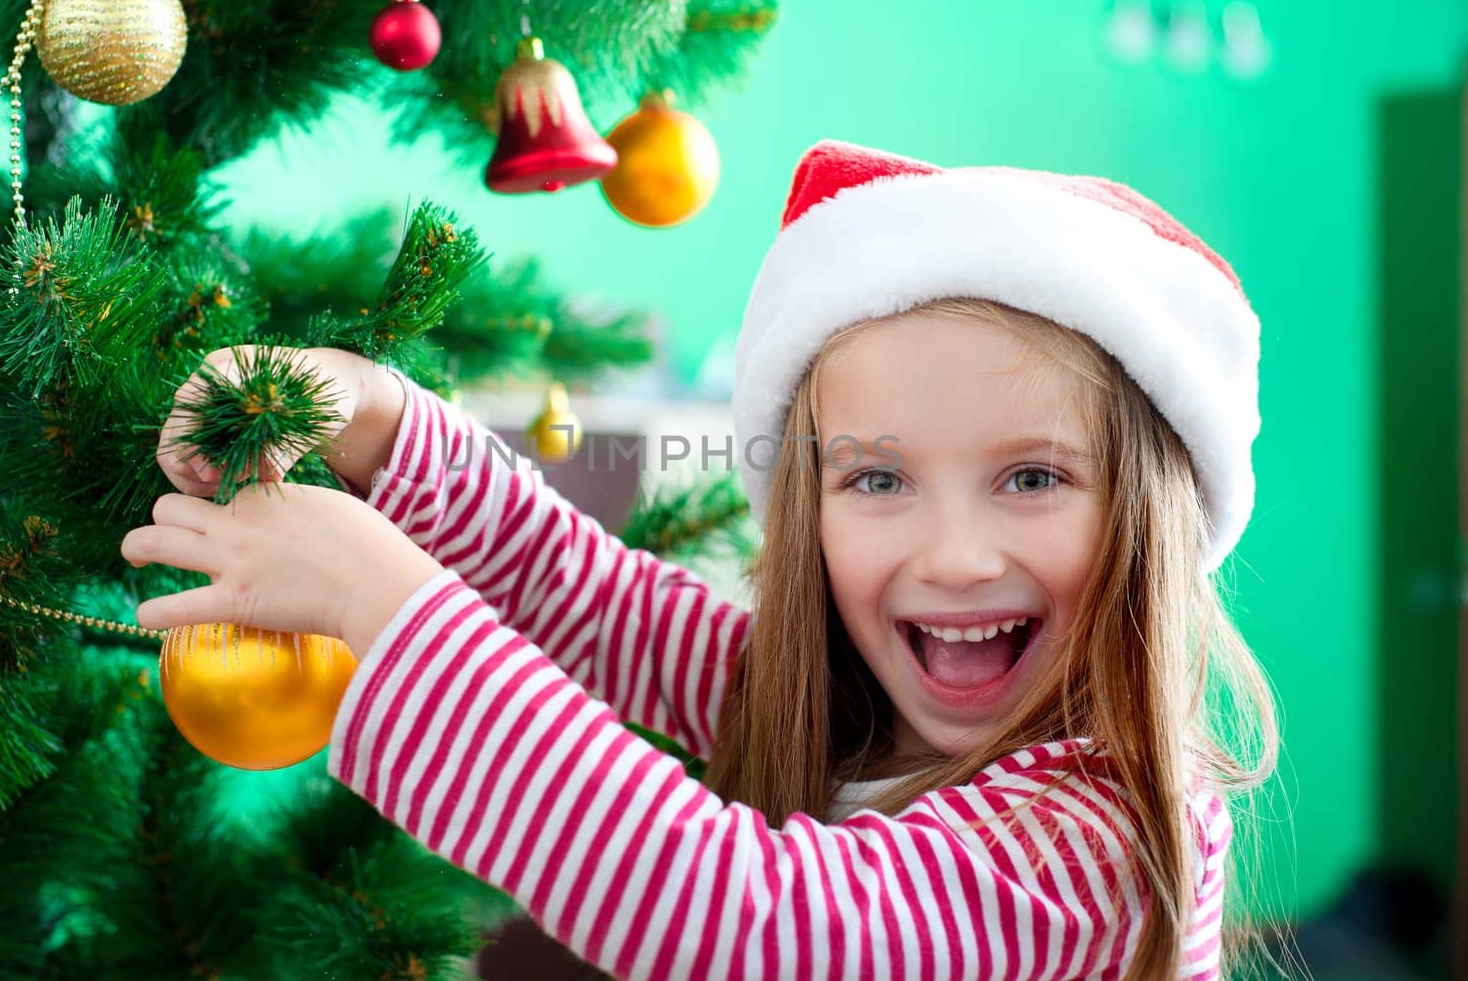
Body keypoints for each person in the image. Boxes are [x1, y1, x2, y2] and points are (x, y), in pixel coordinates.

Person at [121, 139, 1278, 979]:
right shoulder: (845, 704)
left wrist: (390, 610)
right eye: (877, 480)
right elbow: (587, 594)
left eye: (1031, 479)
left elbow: (748, 922)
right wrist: (376, 418)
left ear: (1151, 520)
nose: (956, 557)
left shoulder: (1107, 838)